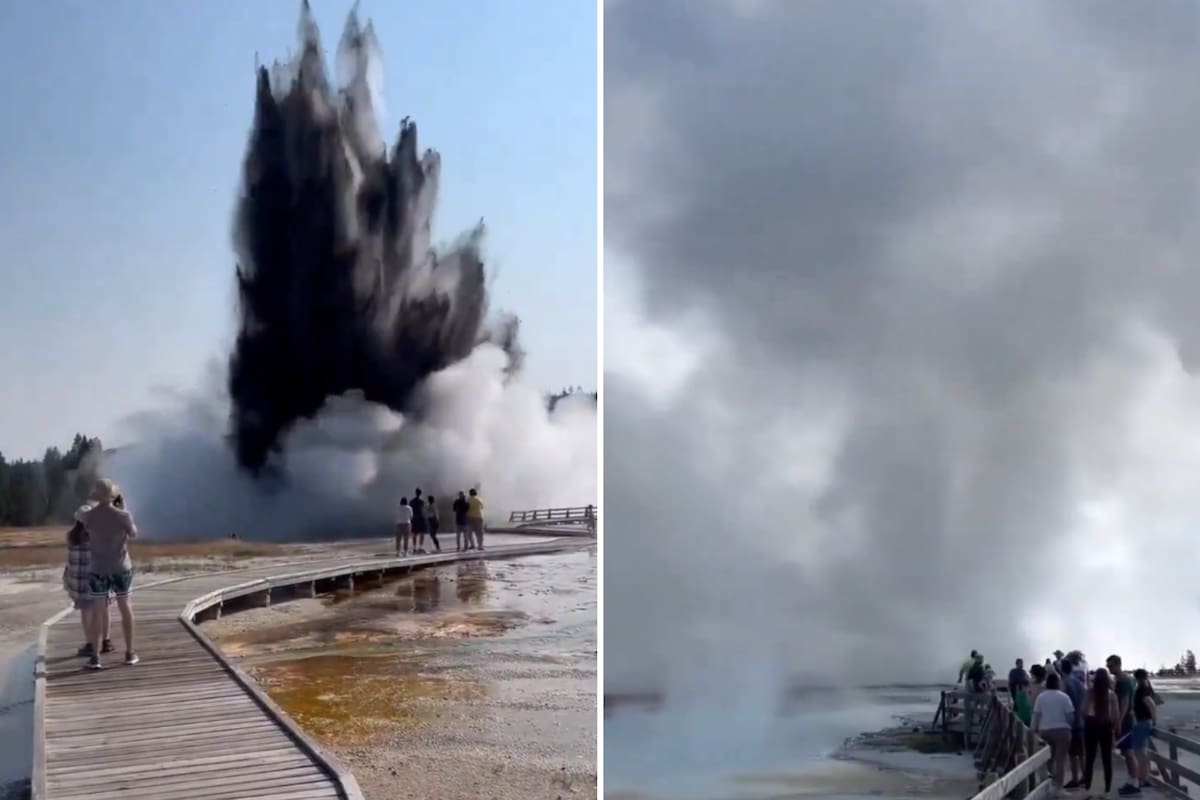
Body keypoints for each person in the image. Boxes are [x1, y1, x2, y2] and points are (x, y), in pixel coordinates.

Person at [75, 478, 138, 669]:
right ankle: (129, 653)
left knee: (97, 611)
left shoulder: (88, 516)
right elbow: (133, 534)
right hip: (120, 567)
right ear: (113, 495)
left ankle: (95, 657)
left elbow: (79, 516)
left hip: (98, 568)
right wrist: (123, 507)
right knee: (125, 608)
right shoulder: (123, 515)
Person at [63, 517, 113, 657]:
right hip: (98, 579)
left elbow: (69, 561)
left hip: (80, 582)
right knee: (104, 610)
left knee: (86, 612)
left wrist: (68, 581)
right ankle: (106, 641)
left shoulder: (71, 536)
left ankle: (90, 643)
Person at [1033, 672, 1074, 792]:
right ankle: (1059, 787)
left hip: (1045, 730)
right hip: (1062, 731)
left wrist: (1034, 730)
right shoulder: (1064, 697)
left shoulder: (1041, 697)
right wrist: (1069, 726)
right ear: (1058, 683)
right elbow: (1070, 716)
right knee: (1060, 760)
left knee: (1048, 760)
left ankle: (1048, 785)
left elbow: (1036, 715)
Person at [1082, 667, 1120, 796]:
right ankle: (1107, 790)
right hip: (1106, 726)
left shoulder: (1090, 693)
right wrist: (1113, 727)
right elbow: (1116, 714)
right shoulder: (1111, 694)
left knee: (1090, 758)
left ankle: (1087, 789)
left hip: (1091, 724)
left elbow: (1083, 710)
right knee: (1107, 759)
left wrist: (1087, 719)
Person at [1108, 653, 1142, 794]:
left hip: (1125, 721)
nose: (1109, 668)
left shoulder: (1123, 681)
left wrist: (1119, 722)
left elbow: (1125, 703)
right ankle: (1132, 780)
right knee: (1126, 751)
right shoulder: (1126, 679)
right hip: (1127, 719)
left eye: (1110, 666)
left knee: (1128, 752)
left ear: (1117, 664)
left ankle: (1135, 784)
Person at [1119, 669, 1157, 796]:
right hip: (1144, 721)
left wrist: (1154, 720)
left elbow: (1150, 704)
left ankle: (1141, 779)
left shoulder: (1142, 690)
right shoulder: (1147, 688)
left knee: (1138, 752)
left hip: (1142, 722)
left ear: (1137, 678)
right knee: (1142, 751)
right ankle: (1144, 778)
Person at [1061, 655, 1087, 789]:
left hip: (1073, 722)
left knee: (1073, 753)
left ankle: (1075, 778)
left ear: (1061, 670)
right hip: (1082, 721)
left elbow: (1068, 705)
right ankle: (1086, 776)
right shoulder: (1079, 683)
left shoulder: (1067, 683)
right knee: (1081, 752)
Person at [410, 488, 428, 554]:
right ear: (420, 494)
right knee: (422, 533)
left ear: (415, 493)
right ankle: (420, 547)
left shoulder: (411, 501)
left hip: (414, 518)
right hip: (421, 518)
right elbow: (424, 510)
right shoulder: (422, 502)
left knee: (414, 534)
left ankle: (414, 548)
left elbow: (410, 510)